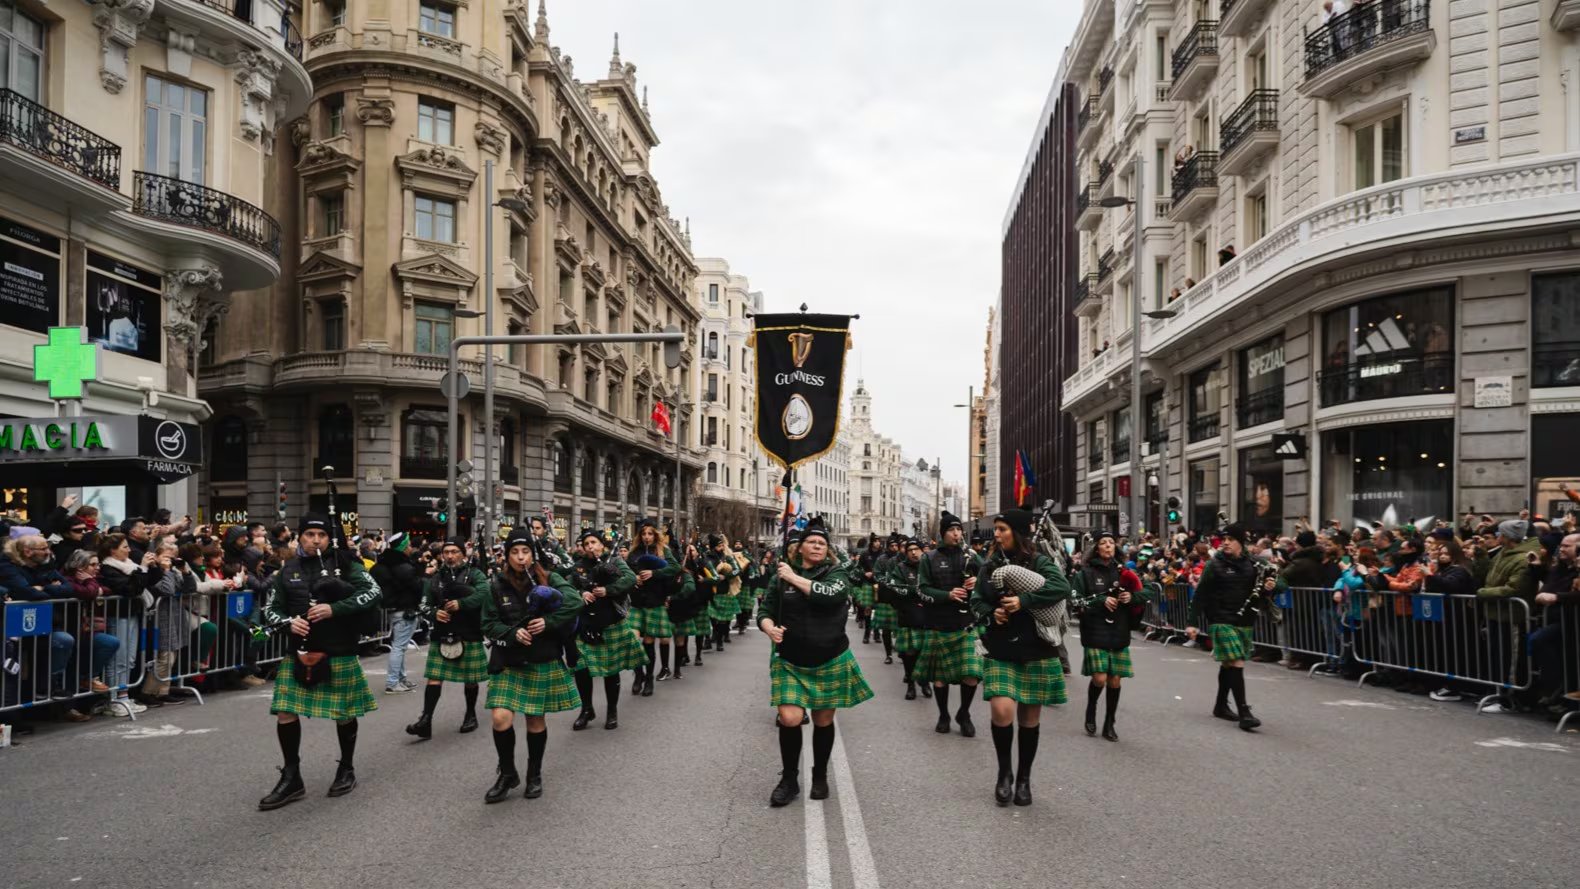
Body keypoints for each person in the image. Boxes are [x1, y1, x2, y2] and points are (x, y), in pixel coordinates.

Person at [258, 515, 382, 811]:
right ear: (299, 537)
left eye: (322, 535)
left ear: (330, 538)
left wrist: (335, 608)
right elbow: (270, 610)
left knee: (344, 712)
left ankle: (346, 768)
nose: (316, 540)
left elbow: (374, 592)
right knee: (286, 712)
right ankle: (291, 777)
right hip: (299, 652)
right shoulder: (287, 570)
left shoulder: (347, 564)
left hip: (338, 649)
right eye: (310, 534)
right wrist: (289, 623)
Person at [757, 518, 873, 807]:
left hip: (829, 656)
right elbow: (766, 611)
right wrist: (769, 627)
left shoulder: (837, 574)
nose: (818, 546)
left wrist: (792, 578)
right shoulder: (779, 578)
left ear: (828, 550)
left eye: (822, 543)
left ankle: (819, 774)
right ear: (800, 548)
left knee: (823, 720)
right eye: (812, 542)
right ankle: (789, 779)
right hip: (791, 659)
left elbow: (827, 596)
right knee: (790, 718)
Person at [973, 508, 1071, 806]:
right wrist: (994, 612)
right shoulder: (989, 566)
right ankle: (1004, 773)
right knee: (1002, 711)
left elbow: (1062, 587)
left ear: (1016, 531)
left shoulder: (1040, 562)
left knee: (1029, 718)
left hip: (1037, 647)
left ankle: (1024, 778)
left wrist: (1023, 600)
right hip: (1002, 647)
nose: (997, 534)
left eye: (1002, 528)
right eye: (997, 529)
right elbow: (977, 601)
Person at [481, 528, 582, 802]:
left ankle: (534, 774)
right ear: (507, 555)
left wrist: (548, 622)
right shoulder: (496, 584)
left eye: (525, 551)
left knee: (535, 720)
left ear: (532, 554)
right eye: (515, 552)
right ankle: (508, 773)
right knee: (501, 718)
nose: (521, 557)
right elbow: (488, 623)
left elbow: (574, 602)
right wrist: (512, 633)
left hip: (541, 657)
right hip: (509, 660)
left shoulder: (549, 577)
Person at [1186, 522, 1279, 732]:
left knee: (1229, 664)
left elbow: (1278, 583)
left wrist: (1270, 585)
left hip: (1244, 621)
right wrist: (1192, 622)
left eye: (1230, 539)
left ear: (1241, 543)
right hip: (1220, 620)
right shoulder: (1214, 564)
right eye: (1224, 539)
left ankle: (1220, 706)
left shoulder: (1254, 564)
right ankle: (1244, 712)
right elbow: (1200, 595)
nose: (1225, 543)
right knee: (1236, 661)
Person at [406, 539, 490, 738]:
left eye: (454, 551)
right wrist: (435, 613)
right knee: (434, 677)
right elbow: (424, 605)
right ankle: (426, 720)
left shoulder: (476, 574)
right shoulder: (436, 578)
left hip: (469, 632)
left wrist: (462, 604)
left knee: (470, 679)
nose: (450, 556)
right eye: (446, 552)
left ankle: (470, 715)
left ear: (463, 554)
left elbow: (485, 594)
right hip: (443, 634)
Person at [1071, 531, 1146, 742]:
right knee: (1100, 678)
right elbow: (1075, 602)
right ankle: (1091, 708)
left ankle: (1109, 723)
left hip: (1119, 630)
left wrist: (1131, 597)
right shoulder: (1084, 573)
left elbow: (1146, 593)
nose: (1108, 546)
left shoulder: (1124, 572)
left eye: (1111, 542)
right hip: (1095, 630)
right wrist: (1099, 602)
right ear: (1096, 548)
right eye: (1103, 543)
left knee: (1114, 681)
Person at [915, 511, 984, 736]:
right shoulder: (929, 558)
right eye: (951, 530)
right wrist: (947, 595)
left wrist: (978, 581)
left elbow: (991, 579)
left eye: (958, 530)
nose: (956, 534)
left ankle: (964, 713)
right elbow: (922, 589)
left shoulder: (972, 555)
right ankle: (943, 714)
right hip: (939, 623)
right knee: (940, 679)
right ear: (943, 533)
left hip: (966, 623)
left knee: (971, 674)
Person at [568, 529, 645, 731]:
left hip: (611, 623)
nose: (590, 546)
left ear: (602, 544)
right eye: (586, 544)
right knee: (581, 668)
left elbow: (630, 579)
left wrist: (608, 590)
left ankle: (612, 710)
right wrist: (581, 593)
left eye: (594, 542)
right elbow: (567, 588)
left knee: (611, 671)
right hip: (587, 624)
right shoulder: (579, 566)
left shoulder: (616, 561)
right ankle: (587, 709)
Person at [627, 518, 679, 693]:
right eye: (643, 533)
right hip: (636, 601)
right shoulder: (633, 552)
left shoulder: (663, 550)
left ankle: (649, 679)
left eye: (650, 533)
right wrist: (633, 579)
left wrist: (654, 573)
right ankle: (639, 674)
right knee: (633, 640)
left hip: (654, 600)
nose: (646, 537)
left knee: (649, 642)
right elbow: (625, 572)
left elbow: (675, 568)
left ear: (655, 534)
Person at [370, 532, 423, 694]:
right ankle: (393, 682)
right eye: (407, 546)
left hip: (393, 609)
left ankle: (400, 679)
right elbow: (417, 586)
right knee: (399, 647)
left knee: (398, 646)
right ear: (402, 547)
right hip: (405, 610)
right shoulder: (404, 567)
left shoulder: (381, 565)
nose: (409, 548)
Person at [866, 534, 900, 667]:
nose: (894, 548)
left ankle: (900, 650)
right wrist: (887, 582)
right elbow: (877, 574)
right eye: (892, 546)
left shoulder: (901, 560)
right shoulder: (882, 559)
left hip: (899, 598)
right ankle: (888, 654)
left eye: (896, 545)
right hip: (885, 597)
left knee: (900, 628)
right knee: (886, 629)